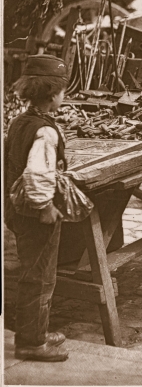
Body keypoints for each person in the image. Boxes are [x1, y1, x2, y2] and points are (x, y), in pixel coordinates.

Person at [4, 55, 70, 362]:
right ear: (52, 94)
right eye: (62, 91)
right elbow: (37, 174)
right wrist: (45, 207)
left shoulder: (19, 122)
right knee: (40, 277)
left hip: (17, 212)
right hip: (35, 213)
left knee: (31, 271)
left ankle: (35, 331)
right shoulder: (45, 132)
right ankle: (32, 342)